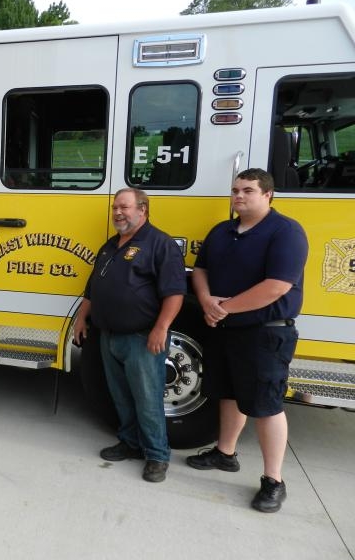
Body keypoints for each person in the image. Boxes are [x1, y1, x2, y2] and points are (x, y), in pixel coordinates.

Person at [187, 168, 308, 513]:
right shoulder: (223, 230)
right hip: (225, 327)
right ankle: (225, 453)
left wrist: (223, 308)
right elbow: (200, 269)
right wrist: (208, 300)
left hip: (265, 330)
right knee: (227, 392)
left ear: (268, 195)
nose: (239, 196)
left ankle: (274, 481)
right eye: (236, 190)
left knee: (267, 404)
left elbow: (277, 286)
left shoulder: (285, 232)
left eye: (248, 191)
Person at [74, 188, 185, 483]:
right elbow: (92, 288)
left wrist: (160, 329)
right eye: (115, 208)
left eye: (124, 207)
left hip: (142, 337)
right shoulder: (111, 245)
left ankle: (157, 455)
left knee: (147, 400)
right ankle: (131, 442)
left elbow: (175, 293)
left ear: (143, 209)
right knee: (121, 397)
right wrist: (81, 318)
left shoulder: (160, 244)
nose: (118, 213)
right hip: (109, 335)